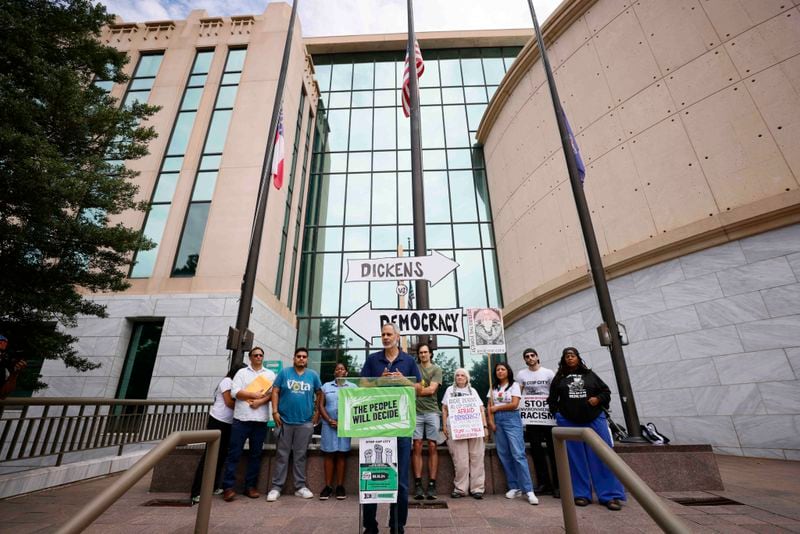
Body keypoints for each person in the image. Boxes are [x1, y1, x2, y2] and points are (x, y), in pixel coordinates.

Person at [360, 323, 422, 534]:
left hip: (402, 427)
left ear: (397, 336)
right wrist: (379, 381)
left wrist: (404, 380)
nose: (385, 337)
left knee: (401, 483)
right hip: (376, 427)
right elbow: (361, 385)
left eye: (389, 334)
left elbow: (420, 388)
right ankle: (370, 526)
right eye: (383, 334)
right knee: (372, 477)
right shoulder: (372, 360)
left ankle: (397, 525)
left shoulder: (409, 361)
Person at [547, 347, 626, 511]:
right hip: (569, 421)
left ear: (578, 358)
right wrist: (559, 415)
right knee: (575, 460)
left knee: (603, 456)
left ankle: (609, 496)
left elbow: (606, 391)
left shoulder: (590, 375)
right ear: (563, 360)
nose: (570, 358)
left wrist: (597, 399)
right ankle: (581, 494)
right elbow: (552, 400)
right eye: (567, 356)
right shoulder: (559, 378)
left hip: (594, 420)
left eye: (572, 355)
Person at [267, 347, 323, 502]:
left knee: (300, 456)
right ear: (294, 358)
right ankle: (276, 487)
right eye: (298, 356)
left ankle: (300, 487)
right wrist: (275, 411)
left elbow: (320, 393)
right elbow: (275, 391)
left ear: (307, 359)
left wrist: (317, 411)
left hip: (305, 422)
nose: (301, 359)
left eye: (304, 357)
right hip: (284, 421)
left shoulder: (313, 375)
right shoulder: (284, 373)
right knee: (281, 456)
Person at [221, 347, 276, 502]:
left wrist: (260, 401)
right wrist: (252, 394)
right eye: (255, 355)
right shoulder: (242, 373)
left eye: (260, 355)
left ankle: (250, 487)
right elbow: (234, 392)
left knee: (256, 455)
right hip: (241, 419)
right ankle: (228, 488)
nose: (258, 357)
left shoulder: (270, 374)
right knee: (234, 453)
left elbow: (272, 393)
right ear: (250, 357)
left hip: (260, 420)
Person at [190, 363, 244, 504]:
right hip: (217, 421)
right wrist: (246, 403)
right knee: (209, 456)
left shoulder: (237, 384)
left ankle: (213, 486)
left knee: (221, 456)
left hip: (229, 423)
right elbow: (228, 402)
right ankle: (196, 492)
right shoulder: (227, 381)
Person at [487, 361, 538, 505]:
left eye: (503, 369)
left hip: (512, 419)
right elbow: (489, 406)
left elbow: (515, 404)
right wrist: (491, 422)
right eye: (497, 370)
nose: (500, 372)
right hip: (498, 422)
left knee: (518, 454)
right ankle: (514, 486)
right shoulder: (493, 387)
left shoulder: (514, 386)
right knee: (504, 454)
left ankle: (528, 490)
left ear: (508, 371)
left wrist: (497, 409)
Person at [516, 347, 560, 498]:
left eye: (532, 355)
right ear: (525, 359)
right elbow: (519, 393)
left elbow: (554, 392)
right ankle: (543, 483)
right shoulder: (522, 374)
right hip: (532, 418)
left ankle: (558, 485)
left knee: (553, 450)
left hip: (548, 417)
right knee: (536, 451)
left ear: (537, 356)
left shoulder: (548, 373)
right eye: (527, 356)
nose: (530, 358)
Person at [441, 368, 487, 499]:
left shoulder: (473, 391)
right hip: (456, 428)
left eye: (462, 375)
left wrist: (484, 426)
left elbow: (481, 409)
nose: (460, 377)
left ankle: (477, 488)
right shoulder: (450, 390)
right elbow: (444, 409)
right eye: (457, 375)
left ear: (467, 378)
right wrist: (444, 426)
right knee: (460, 460)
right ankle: (460, 489)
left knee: (477, 458)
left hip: (474, 427)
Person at [318, 361, 356, 500]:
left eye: (342, 369)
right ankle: (328, 487)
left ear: (346, 372)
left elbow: (356, 405)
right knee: (329, 454)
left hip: (344, 426)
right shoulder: (326, 386)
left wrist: (343, 421)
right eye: (337, 369)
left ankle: (340, 486)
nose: (340, 371)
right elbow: (321, 405)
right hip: (329, 425)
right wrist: (329, 420)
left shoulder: (353, 387)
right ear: (335, 372)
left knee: (341, 454)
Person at [412, 342, 442, 500]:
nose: (423, 355)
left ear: (430, 354)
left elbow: (432, 390)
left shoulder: (436, 369)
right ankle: (417, 484)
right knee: (416, 445)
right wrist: (417, 389)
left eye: (425, 352)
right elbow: (409, 387)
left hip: (432, 412)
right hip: (415, 412)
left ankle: (432, 483)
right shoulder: (413, 367)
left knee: (432, 445)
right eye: (421, 352)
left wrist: (417, 389)